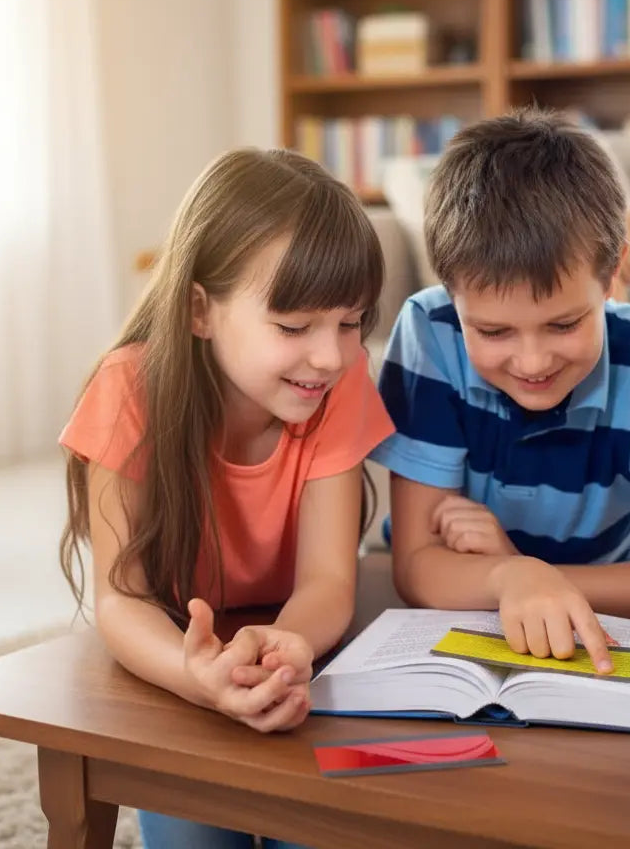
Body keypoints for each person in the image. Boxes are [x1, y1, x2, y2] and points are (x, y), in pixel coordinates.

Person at [58, 148, 394, 848]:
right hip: (175, 660)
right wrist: (197, 677)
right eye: (294, 327)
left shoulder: (338, 384)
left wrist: (292, 645)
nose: (331, 356)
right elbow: (121, 600)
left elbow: (331, 580)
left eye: (351, 321)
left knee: (325, 826)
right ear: (199, 311)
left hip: (304, 651)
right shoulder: (128, 391)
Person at [370, 107, 630, 670]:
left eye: (563, 324)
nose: (532, 361)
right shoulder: (430, 333)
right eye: (492, 331)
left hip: (607, 615)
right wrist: (511, 578)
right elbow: (414, 565)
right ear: (449, 291)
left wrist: (532, 578)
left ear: (613, 275)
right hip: (473, 613)